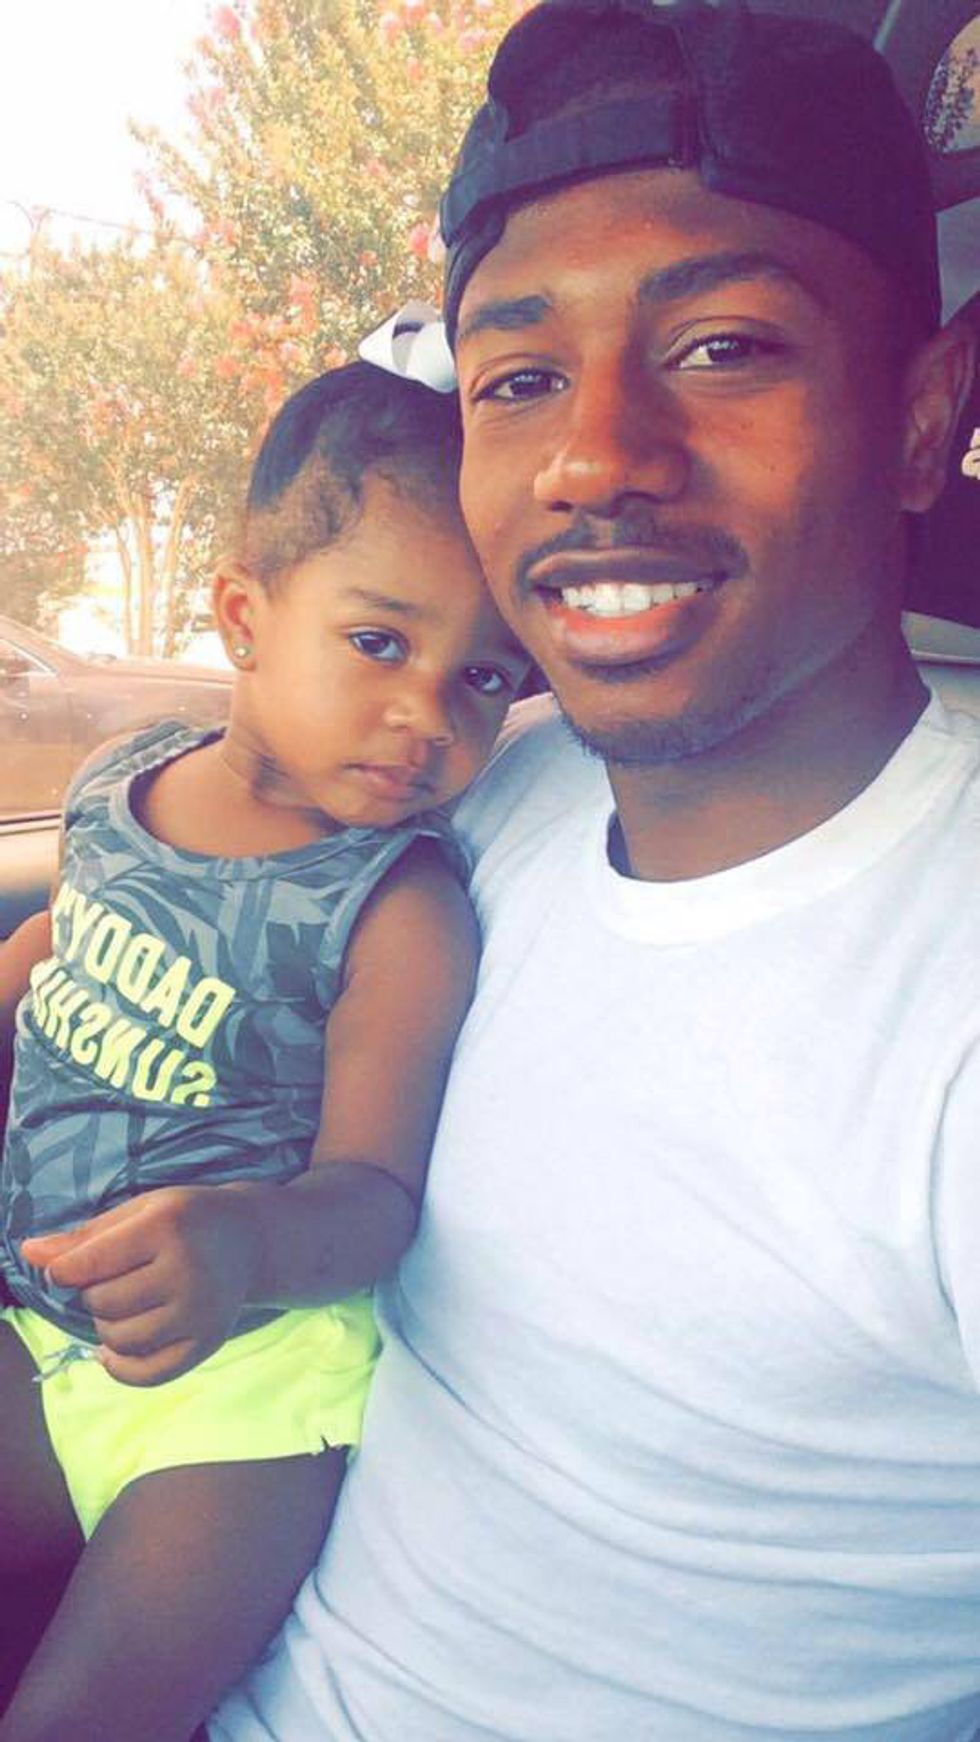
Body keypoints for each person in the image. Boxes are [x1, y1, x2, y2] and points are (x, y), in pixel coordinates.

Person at [211, 3, 980, 1740]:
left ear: (926, 413)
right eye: (519, 380)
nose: (593, 456)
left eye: (722, 347)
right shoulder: (492, 792)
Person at [0, 358, 528, 1742]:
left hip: (245, 1396)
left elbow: (374, 1196)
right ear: (244, 615)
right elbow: (63, 941)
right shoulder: (119, 784)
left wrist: (242, 1241)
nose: (432, 713)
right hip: (41, 1318)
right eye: (380, 642)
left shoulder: (396, 911)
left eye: (485, 675)